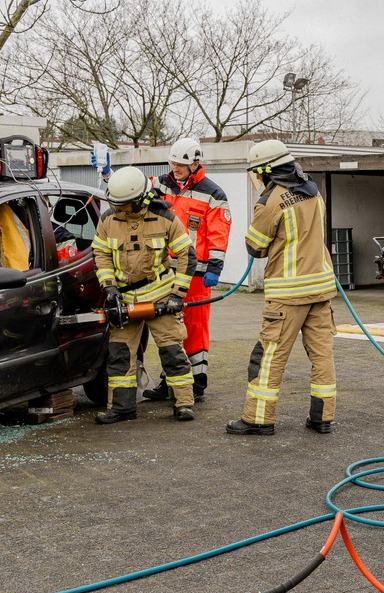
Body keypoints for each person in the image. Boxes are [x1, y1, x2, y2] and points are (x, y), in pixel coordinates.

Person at [227, 140, 337, 436]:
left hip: (287, 296)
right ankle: (322, 418)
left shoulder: (270, 201)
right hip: (321, 289)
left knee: (268, 357)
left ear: (265, 171)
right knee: (322, 355)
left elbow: (256, 247)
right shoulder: (313, 191)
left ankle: (258, 419)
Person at [91, 166, 197, 424]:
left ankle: (183, 404)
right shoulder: (107, 220)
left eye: (125, 205)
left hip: (160, 297)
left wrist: (177, 295)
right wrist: (109, 287)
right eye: (117, 204)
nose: (120, 209)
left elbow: (187, 255)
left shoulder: (166, 218)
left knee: (172, 353)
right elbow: (101, 255)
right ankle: (121, 408)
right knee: (119, 355)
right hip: (125, 300)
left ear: (140, 199)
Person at [142, 138, 233, 404]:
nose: (175, 167)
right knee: (168, 328)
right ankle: (170, 381)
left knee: (193, 328)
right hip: (165, 273)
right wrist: (108, 174)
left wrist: (215, 268)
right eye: (172, 162)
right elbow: (133, 192)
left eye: (181, 164)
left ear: (195, 163)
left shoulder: (213, 194)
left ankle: (196, 384)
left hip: (196, 275)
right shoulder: (162, 184)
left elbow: (219, 234)